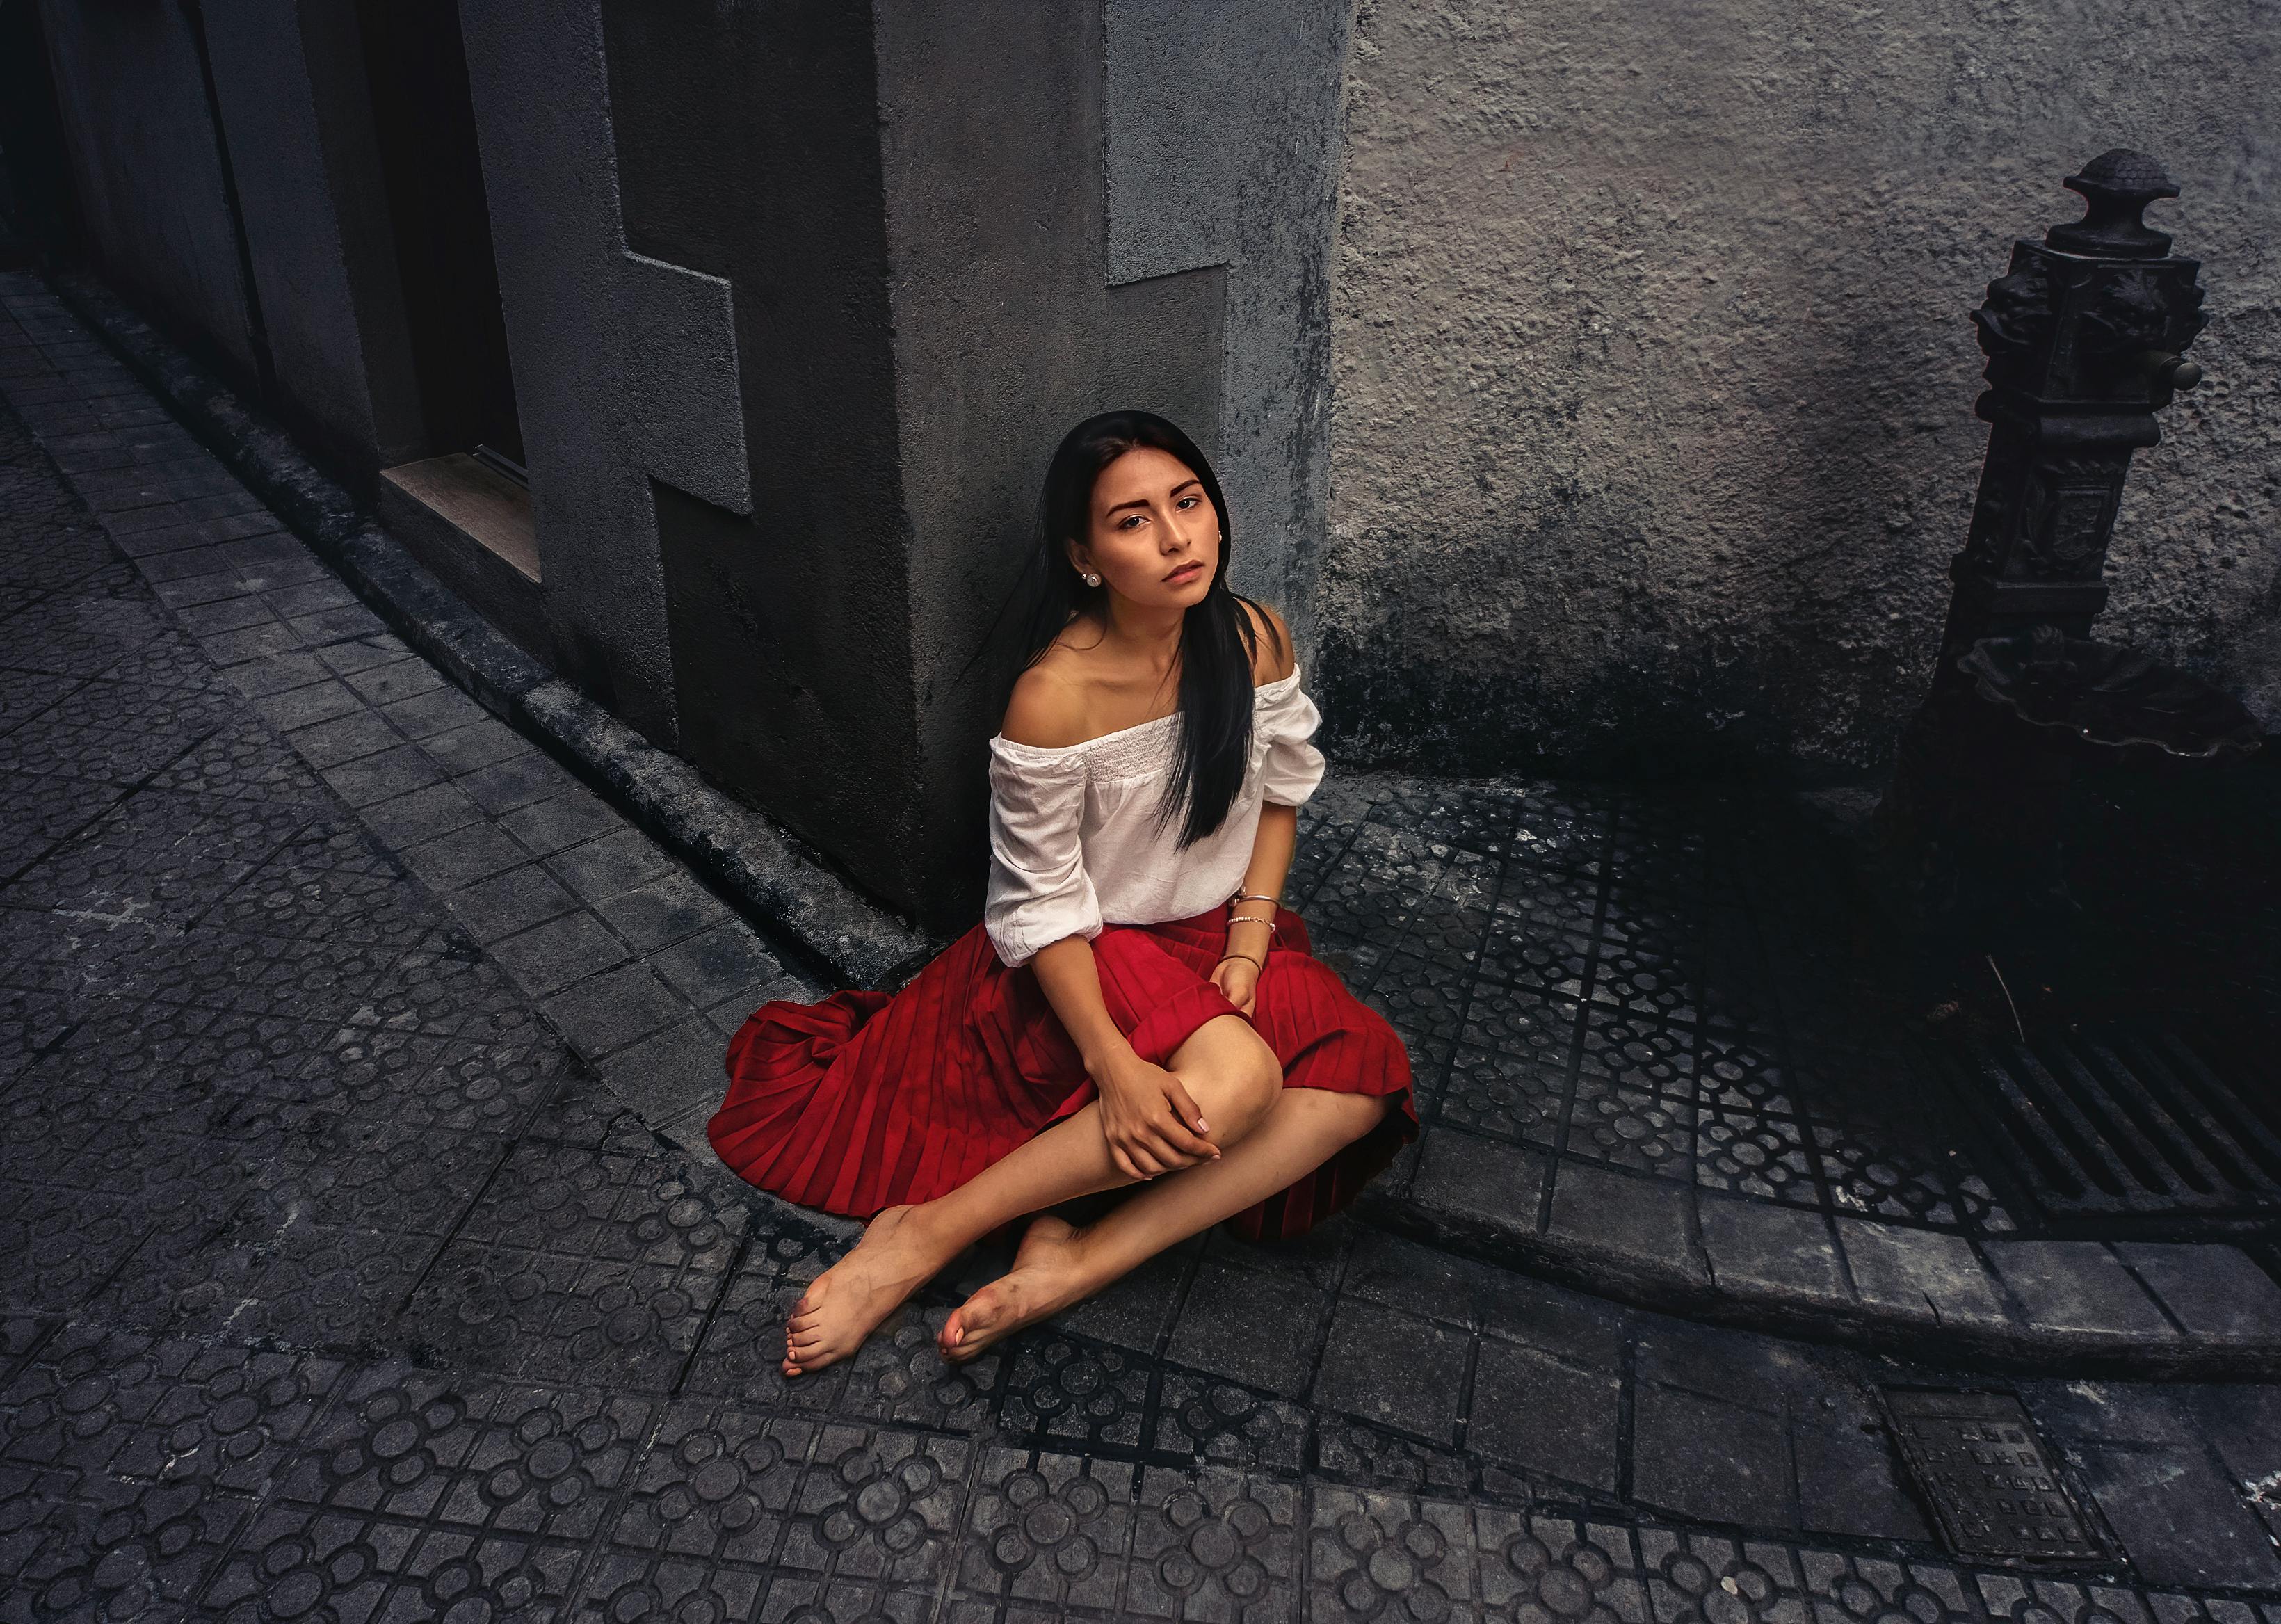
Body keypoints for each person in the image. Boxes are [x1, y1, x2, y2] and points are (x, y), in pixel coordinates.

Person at [707, 410, 1415, 1377]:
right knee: (1242, 1085)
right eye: (1133, 521)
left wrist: (1249, 946)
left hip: (1216, 937)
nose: (1176, 538)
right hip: (1091, 953)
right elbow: (1038, 906)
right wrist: (1115, 1066)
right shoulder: (1056, 693)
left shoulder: (1254, 638)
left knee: (1359, 1090)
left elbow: (1279, 801)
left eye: (1189, 503)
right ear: (1084, 557)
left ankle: (1075, 1259)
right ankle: (926, 1234)